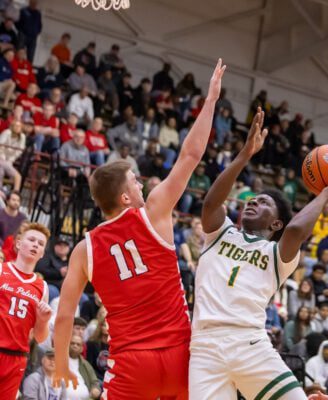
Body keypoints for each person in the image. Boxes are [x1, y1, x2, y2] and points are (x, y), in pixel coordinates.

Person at [53, 59, 226, 399]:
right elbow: (190, 155)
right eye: (135, 181)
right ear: (124, 197)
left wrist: (60, 363)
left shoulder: (84, 249)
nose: (141, 183)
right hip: (180, 353)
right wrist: (210, 102)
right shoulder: (154, 212)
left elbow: (64, 314)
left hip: (132, 363)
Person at [189, 107, 328, 399]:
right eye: (252, 199)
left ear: (276, 222)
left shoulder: (277, 254)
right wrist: (244, 155)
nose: (253, 201)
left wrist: (325, 196)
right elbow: (210, 205)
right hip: (205, 347)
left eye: (263, 203)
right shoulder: (220, 233)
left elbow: (294, 232)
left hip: (249, 343)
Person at [0, 222, 52, 400]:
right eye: (31, 240)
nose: (36, 244)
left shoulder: (42, 287)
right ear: (19, 243)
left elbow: (39, 337)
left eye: (40, 243)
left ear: (43, 253)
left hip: (17, 358)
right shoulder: (1, 270)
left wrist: (43, 320)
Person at [67, 335, 101, 399]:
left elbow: (94, 382)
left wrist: (95, 389)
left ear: (82, 349)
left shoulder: (85, 364)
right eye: (72, 343)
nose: (75, 346)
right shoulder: (58, 359)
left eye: (78, 344)